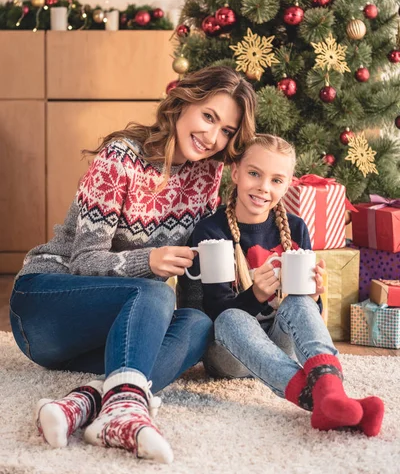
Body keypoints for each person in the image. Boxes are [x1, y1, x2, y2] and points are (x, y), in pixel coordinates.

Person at [9, 66, 257, 464]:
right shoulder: (120, 158)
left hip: (100, 336)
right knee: (156, 292)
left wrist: (248, 303)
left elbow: (194, 278)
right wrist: (150, 260)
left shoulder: (209, 174)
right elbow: (85, 261)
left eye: (227, 130)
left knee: (195, 322)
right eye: (209, 117)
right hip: (44, 302)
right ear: (183, 102)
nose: (213, 137)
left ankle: (86, 403)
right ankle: (123, 410)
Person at [186, 134, 384, 437]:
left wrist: (314, 296)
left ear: (288, 184)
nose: (264, 187)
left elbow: (303, 313)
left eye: (276, 180)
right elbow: (215, 314)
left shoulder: (295, 228)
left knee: (302, 301)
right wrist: (256, 295)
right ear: (235, 172)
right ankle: (321, 399)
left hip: (281, 346)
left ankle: (330, 395)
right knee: (230, 317)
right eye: (254, 173)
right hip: (230, 355)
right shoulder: (211, 231)